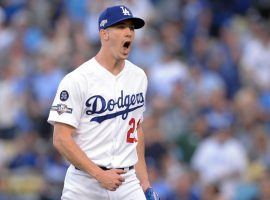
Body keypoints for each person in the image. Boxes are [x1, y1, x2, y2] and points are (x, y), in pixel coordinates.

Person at [48, 5, 159, 200]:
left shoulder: (139, 77)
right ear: (104, 34)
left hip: (127, 180)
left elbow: (136, 130)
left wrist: (144, 182)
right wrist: (99, 174)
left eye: (131, 28)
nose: (129, 33)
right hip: (85, 182)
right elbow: (61, 138)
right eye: (121, 27)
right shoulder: (77, 79)